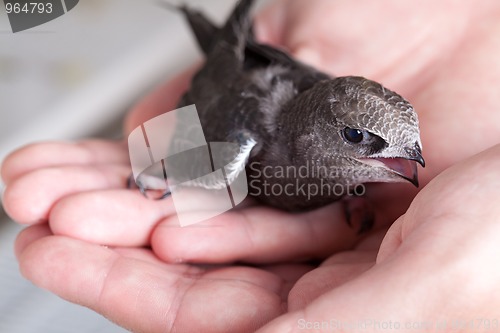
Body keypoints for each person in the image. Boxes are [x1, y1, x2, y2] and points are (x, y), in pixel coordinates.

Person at [3, 0, 500, 331]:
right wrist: (168, 166)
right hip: (231, 80)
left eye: (405, 144)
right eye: (357, 139)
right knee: (208, 167)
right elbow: (190, 107)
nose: (411, 160)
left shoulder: (332, 129)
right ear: (318, 136)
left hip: (277, 72)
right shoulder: (250, 127)